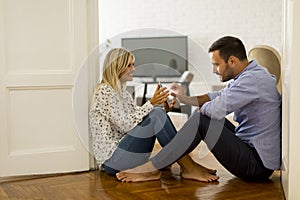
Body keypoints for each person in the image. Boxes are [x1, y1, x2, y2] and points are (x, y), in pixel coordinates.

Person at [115, 36, 281, 182]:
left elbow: (215, 109)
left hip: (256, 165)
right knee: (203, 116)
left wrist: (203, 110)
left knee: (203, 119)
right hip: (253, 154)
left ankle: (152, 169)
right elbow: (217, 95)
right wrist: (185, 98)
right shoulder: (251, 75)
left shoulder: (252, 80)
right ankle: (183, 166)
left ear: (232, 61)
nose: (214, 70)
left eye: (216, 65)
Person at [89, 48, 219, 183]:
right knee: (156, 113)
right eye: (129, 65)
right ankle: (188, 166)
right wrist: (151, 104)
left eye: (133, 64)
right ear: (116, 67)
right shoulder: (104, 91)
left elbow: (138, 118)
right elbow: (126, 125)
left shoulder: (123, 93)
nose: (133, 69)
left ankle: (187, 165)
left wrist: (162, 110)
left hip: (126, 151)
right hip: (113, 160)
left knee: (158, 113)